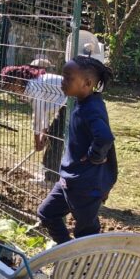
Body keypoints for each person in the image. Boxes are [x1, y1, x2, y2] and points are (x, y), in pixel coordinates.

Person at [36, 56, 117, 244]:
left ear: (87, 83)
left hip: (85, 185)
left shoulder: (91, 109)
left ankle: (87, 266)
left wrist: (94, 157)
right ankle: (69, 254)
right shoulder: (83, 103)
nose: (63, 82)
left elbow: (104, 137)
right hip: (69, 180)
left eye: (68, 78)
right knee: (46, 213)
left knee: (86, 232)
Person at [1, 63, 67, 180]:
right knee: (53, 137)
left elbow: (38, 115)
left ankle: (50, 178)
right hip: (63, 103)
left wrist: (37, 139)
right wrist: (43, 133)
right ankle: (50, 175)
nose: (12, 91)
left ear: (17, 80)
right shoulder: (29, 86)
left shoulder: (33, 87)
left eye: (11, 87)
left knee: (55, 140)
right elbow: (45, 110)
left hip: (70, 101)